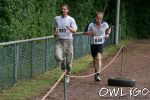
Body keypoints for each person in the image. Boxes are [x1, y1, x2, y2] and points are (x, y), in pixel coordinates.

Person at [84, 12, 111, 82]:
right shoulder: (91, 25)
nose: (99, 20)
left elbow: (109, 29)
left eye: (100, 18)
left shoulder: (105, 24)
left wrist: (107, 34)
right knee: (94, 59)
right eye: (97, 18)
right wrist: (91, 33)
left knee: (98, 58)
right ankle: (96, 72)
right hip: (93, 44)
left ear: (102, 18)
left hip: (100, 44)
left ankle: (98, 74)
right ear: (95, 18)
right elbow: (85, 32)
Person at [54, 4, 77, 83]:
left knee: (69, 61)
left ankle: (67, 75)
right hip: (60, 41)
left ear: (67, 10)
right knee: (57, 55)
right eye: (62, 9)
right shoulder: (57, 18)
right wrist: (55, 33)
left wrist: (69, 28)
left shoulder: (71, 19)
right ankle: (62, 64)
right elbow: (55, 28)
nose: (63, 10)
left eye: (65, 9)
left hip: (68, 41)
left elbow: (75, 31)